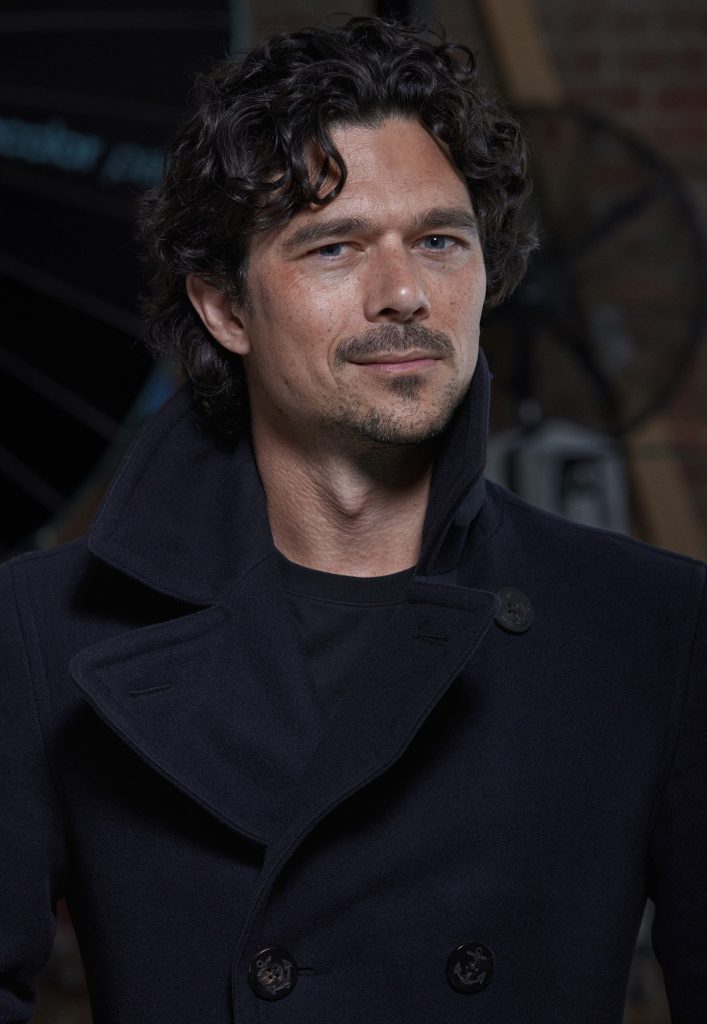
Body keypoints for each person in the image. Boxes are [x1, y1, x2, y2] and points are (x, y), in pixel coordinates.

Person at [1, 16, 705, 1024]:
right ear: (225, 309)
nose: (404, 293)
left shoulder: (654, 626)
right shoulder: (42, 632)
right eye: (334, 247)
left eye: (439, 241)